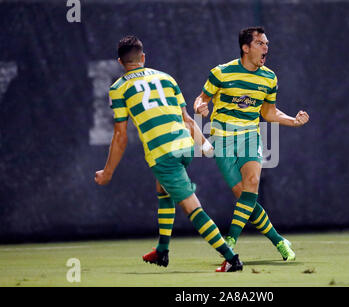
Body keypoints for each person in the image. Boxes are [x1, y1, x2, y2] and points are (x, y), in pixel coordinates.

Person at [94, 35, 242, 272]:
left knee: (192, 208)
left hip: (163, 154)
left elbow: (120, 136)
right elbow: (187, 120)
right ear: (143, 57)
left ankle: (232, 259)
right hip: (184, 147)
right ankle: (162, 251)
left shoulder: (118, 88)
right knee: (163, 191)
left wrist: (108, 172)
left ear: (120, 62)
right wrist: (206, 147)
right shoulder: (166, 78)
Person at [193, 26, 309, 261]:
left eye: (266, 43)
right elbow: (201, 99)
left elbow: (269, 113)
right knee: (244, 197)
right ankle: (278, 240)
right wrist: (199, 107)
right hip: (222, 139)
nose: (266, 47)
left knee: (253, 182)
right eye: (260, 43)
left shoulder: (269, 77)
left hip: (249, 137)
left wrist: (293, 122)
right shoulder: (221, 73)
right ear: (246, 48)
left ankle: (231, 240)